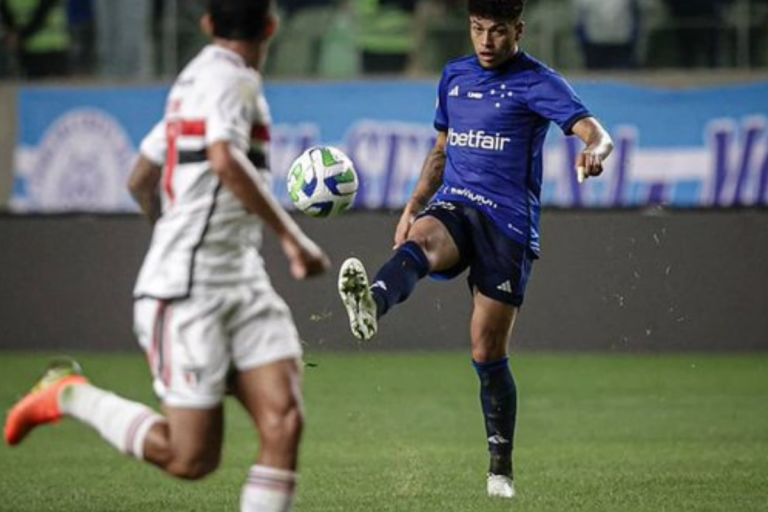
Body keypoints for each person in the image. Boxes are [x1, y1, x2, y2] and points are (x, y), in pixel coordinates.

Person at [4, 2, 330, 512]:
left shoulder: (193, 84)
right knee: (191, 458)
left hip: (241, 281)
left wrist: (169, 231)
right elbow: (223, 157)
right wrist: (293, 238)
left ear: (205, 25)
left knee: (283, 419)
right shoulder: (231, 82)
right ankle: (68, 393)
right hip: (187, 293)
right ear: (271, 26)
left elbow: (140, 177)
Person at [338, 0, 613, 499]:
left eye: (499, 32)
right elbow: (442, 149)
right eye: (478, 29)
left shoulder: (539, 82)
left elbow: (594, 130)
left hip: (507, 226)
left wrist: (595, 151)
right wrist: (415, 203)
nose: (487, 42)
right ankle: (370, 304)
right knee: (422, 239)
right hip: (455, 204)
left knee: (487, 350)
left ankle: (499, 468)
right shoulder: (454, 77)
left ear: (519, 30)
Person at [0, 0, 70, 79]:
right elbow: (42, 13)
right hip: (52, 46)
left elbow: (6, 15)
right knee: (56, 87)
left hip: (33, 46)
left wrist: (16, 36)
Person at [574, 0, 640, 69]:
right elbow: (579, 19)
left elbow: (636, 13)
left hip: (621, 43)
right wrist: (583, 41)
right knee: (595, 75)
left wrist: (633, 39)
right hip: (594, 43)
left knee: (621, 74)